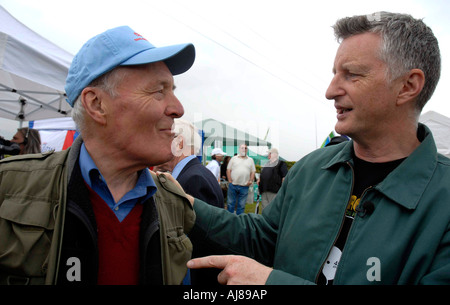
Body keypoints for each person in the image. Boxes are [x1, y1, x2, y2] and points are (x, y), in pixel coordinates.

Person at [183, 12, 450, 285]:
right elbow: (262, 236)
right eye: (335, 74)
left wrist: (270, 282)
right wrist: (186, 205)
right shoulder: (311, 168)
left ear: (408, 86)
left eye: (352, 74)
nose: (330, 91)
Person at [0, 25, 196, 285]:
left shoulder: (175, 205)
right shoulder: (9, 188)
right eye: (159, 91)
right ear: (96, 104)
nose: (178, 108)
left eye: (173, 90)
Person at [168, 119, 226, 285]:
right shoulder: (193, 173)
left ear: (179, 143)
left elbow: (199, 242)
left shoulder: (193, 178)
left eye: (166, 137)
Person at [226, 143, 256, 215]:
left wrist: (251, 180)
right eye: (242, 148)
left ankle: (239, 221)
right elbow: (228, 169)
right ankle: (229, 220)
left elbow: (253, 171)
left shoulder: (250, 160)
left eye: (245, 148)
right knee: (230, 204)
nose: (244, 149)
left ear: (247, 150)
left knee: (241, 205)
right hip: (233, 185)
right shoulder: (234, 158)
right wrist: (229, 180)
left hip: (244, 186)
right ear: (239, 149)